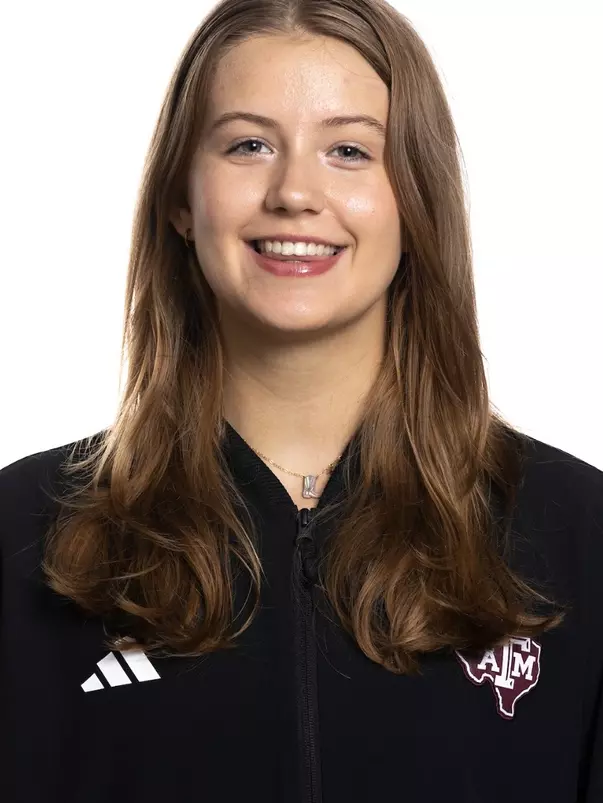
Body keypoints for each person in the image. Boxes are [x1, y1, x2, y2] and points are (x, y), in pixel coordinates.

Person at [1, 0, 602, 801]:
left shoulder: (580, 538)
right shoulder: (21, 533)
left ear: (415, 199)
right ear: (182, 198)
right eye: (248, 144)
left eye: (349, 150)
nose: (294, 192)